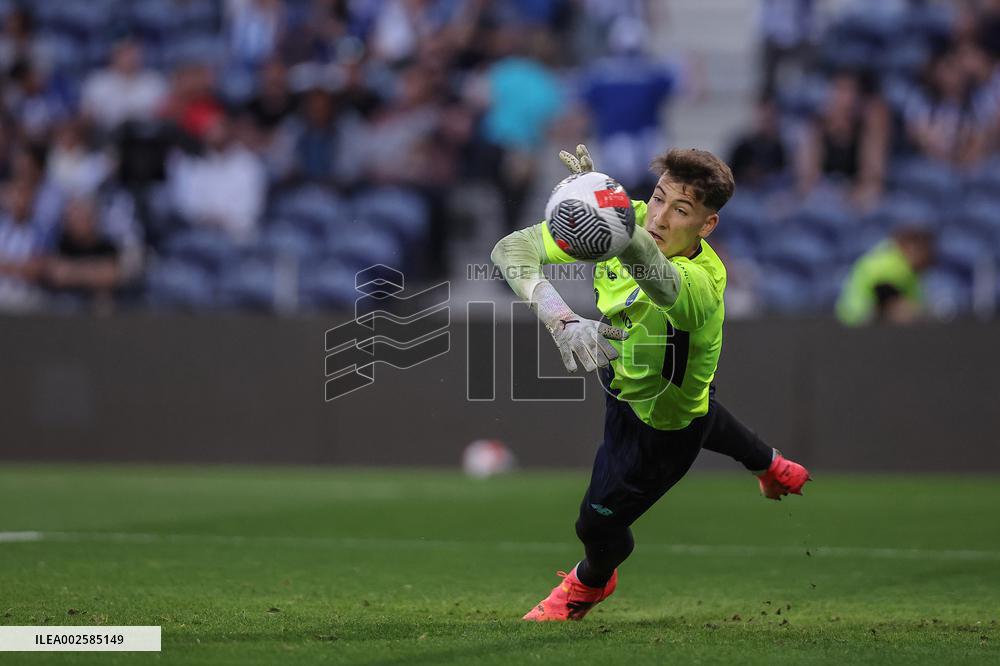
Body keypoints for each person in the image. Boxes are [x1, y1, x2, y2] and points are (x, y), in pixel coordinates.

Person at [490, 145, 811, 622]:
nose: (658, 217)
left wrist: (608, 218)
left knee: (596, 524)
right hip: (627, 379)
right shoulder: (632, 218)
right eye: (657, 198)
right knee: (703, 407)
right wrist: (559, 316)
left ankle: (591, 582)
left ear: (707, 226)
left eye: (681, 210)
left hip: (659, 429)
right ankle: (770, 465)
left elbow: (658, 280)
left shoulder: (704, 281)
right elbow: (509, 250)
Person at [836, 224, 935, 327]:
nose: (926, 255)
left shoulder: (912, 270)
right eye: (919, 249)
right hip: (858, 322)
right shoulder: (888, 264)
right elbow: (889, 303)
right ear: (908, 247)